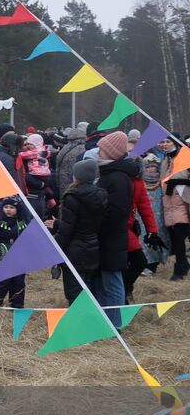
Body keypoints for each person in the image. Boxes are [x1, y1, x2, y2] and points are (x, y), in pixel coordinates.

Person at [49, 158, 107, 303]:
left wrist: (55, 247)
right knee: (87, 286)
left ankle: (79, 320)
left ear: (78, 175)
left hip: (75, 249)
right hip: (92, 247)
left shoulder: (73, 197)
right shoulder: (100, 195)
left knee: (74, 290)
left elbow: (67, 230)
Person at [94, 133, 136, 325]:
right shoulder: (108, 173)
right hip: (105, 236)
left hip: (111, 237)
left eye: (101, 148)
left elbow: (117, 211)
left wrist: (98, 225)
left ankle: (115, 323)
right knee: (104, 279)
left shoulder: (117, 177)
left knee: (112, 280)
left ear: (110, 152)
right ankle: (105, 320)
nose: (98, 152)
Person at [122, 157, 161, 300]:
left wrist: (153, 231)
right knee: (137, 261)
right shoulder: (119, 180)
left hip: (130, 227)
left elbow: (145, 206)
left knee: (137, 262)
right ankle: (123, 290)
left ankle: (125, 288)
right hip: (117, 227)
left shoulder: (138, 183)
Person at [0, 198, 29, 308]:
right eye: (6, 207)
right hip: (3, 258)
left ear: (17, 209)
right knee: (2, 281)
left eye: (12, 207)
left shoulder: (23, 224)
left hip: (19, 259)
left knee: (18, 282)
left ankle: (16, 304)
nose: (8, 210)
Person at [161, 142, 189, 281]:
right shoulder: (166, 160)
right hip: (170, 205)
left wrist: (180, 182)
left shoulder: (186, 158)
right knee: (176, 240)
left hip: (184, 204)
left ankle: (179, 271)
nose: (164, 144)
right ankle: (183, 266)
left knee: (179, 239)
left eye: (168, 141)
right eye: (163, 142)